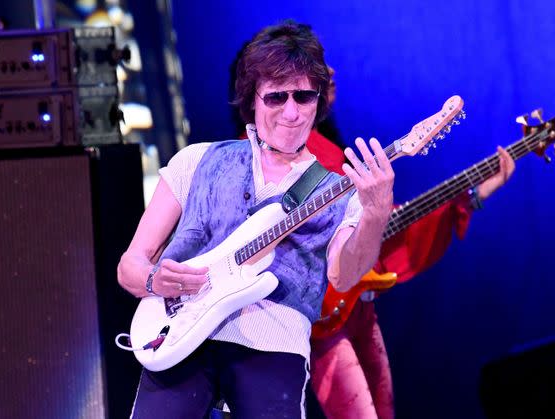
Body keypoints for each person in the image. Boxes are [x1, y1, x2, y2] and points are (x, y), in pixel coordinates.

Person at [117, 20, 394, 419]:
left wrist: (376, 214)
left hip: (274, 341)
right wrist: (151, 279)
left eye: (303, 97)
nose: (292, 112)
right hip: (177, 333)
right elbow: (130, 265)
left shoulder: (337, 189)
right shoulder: (196, 161)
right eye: (276, 97)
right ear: (252, 98)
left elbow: (344, 275)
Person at [306, 79, 515, 418]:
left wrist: (475, 195)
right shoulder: (267, 154)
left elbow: (382, 225)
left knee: (384, 410)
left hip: (356, 304)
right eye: (317, 66)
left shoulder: (330, 146)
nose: (330, 75)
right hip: (322, 312)